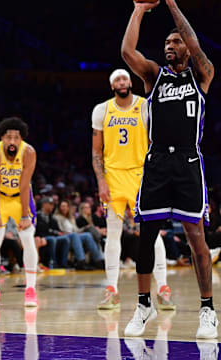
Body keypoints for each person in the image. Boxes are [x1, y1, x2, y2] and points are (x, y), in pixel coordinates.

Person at [122, 0, 217, 338]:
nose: (170, 46)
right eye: (166, 43)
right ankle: (143, 305)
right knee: (145, 237)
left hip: (189, 163)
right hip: (158, 162)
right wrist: (138, 10)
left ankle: (207, 310)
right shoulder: (153, 76)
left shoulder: (202, 74)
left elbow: (194, 43)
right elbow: (127, 52)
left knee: (197, 240)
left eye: (175, 42)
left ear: (187, 50)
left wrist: (173, 3)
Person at [92, 69, 174, 310]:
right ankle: (112, 290)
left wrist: (158, 176)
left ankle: (163, 288)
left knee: (152, 232)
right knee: (113, 231)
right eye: (117, 79)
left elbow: (156, 143)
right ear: (112, 86)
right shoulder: (102, 110)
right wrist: (101, 181)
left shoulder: (146, 106)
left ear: (131, 82)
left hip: (141, 175)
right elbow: (97, 151)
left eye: (125, 78)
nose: (122, 82)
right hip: (114, 176)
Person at [0, 117, 38, 307]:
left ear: (21, 139)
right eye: (9, 137)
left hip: (21, 198)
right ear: (2, 139)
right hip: (0, 197)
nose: (13, 141)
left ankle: (30, 289)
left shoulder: (29, 152)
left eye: (17, 138)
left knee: (28, 239)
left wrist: (25, 215)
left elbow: (24, 185)